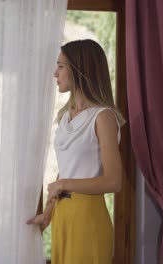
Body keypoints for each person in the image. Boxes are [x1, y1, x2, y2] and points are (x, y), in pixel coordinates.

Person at [27, 39, 125, 264]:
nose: (55, 72)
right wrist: (48, 213)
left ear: (80, 70)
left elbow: (114, 181)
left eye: (61, 66)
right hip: (63, 215)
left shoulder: (103, 117)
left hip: (88, 216)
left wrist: (63, 184)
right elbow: (66, 171)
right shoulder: (66, 117)